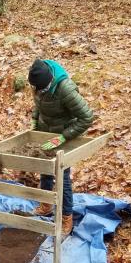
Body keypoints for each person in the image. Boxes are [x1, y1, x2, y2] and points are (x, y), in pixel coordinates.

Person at [28, 58, 94, 236]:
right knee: (45, 169)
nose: (37, 91)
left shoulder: (66, 89)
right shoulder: (38, 83)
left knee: (62, 175)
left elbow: (87, 117)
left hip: (64, 134)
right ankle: (46, 205)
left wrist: (64, 137)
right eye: (36, 88)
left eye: (41, 88)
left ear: (50, 81)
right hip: (46, 131)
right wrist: (34, 121)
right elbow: (38, 103)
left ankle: (66, 217)